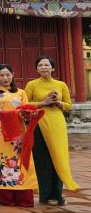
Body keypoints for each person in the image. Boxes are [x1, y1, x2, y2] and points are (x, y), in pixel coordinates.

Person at [25, 56, 79, 205]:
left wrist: (58, 102)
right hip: (38, 124)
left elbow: (69, 105)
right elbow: (25, 104)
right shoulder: (32, 84)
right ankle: (45, 195)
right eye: (40, 65)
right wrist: (44, 102)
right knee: (42, 160)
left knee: (59, 157)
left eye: (46, 65)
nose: (43, 67)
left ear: (52, 68)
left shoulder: (61, 84)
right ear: (36, 69)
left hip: (57, 124)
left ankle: (58, 194)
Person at [0, 64, 36, 206]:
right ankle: (6, 197)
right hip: (0, 134)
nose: (5, 78)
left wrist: (29, 113)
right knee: (1, 160)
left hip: (19, 133)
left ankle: (23, 196)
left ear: (13, 75)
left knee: (21, 161)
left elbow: (26, 111)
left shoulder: (21, 93)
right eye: (1, 75)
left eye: (8, 75)